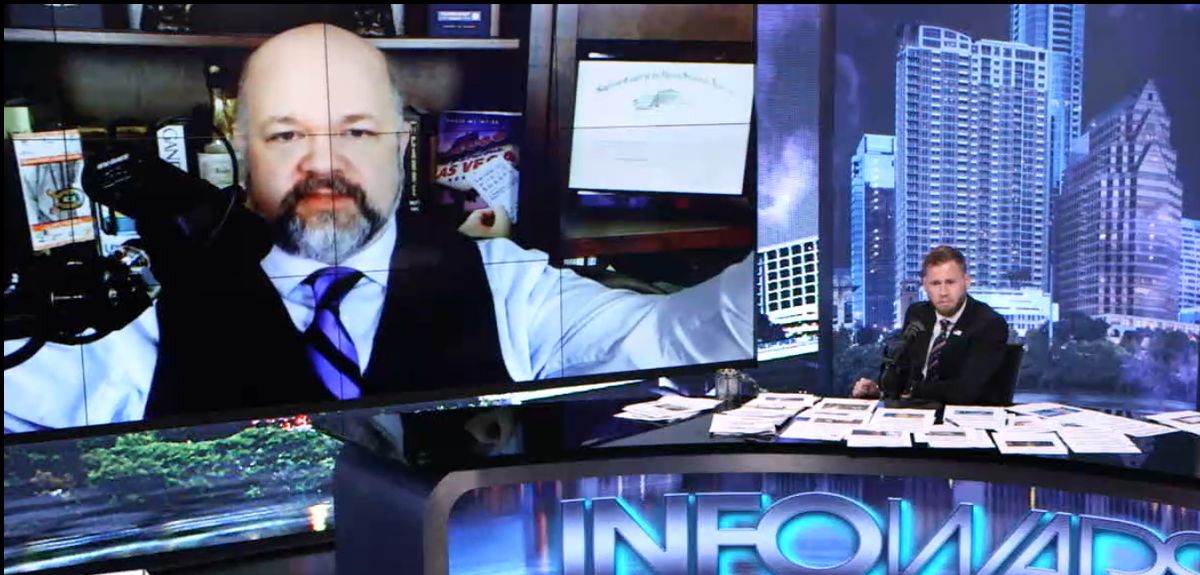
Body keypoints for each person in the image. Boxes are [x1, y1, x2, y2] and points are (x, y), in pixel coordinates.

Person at [3, 24, 752, 432]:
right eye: (286, 135)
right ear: (238, 153)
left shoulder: (505, 283)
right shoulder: (141, 304)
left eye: (357, 132)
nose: (324, 164)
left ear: (403, 146)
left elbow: (674, 340)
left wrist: (799, 221)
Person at [851, 246, 1009, 405]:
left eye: (950, 282)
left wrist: (912, 390)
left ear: (966, 282)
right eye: (935, 283)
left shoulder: (989, 323)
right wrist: (879, 390)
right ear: (925, 286)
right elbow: (903, 368)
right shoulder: (917, 314)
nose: (943, 292)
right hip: (912, 412)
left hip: (960, 414)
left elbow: (966, 390)